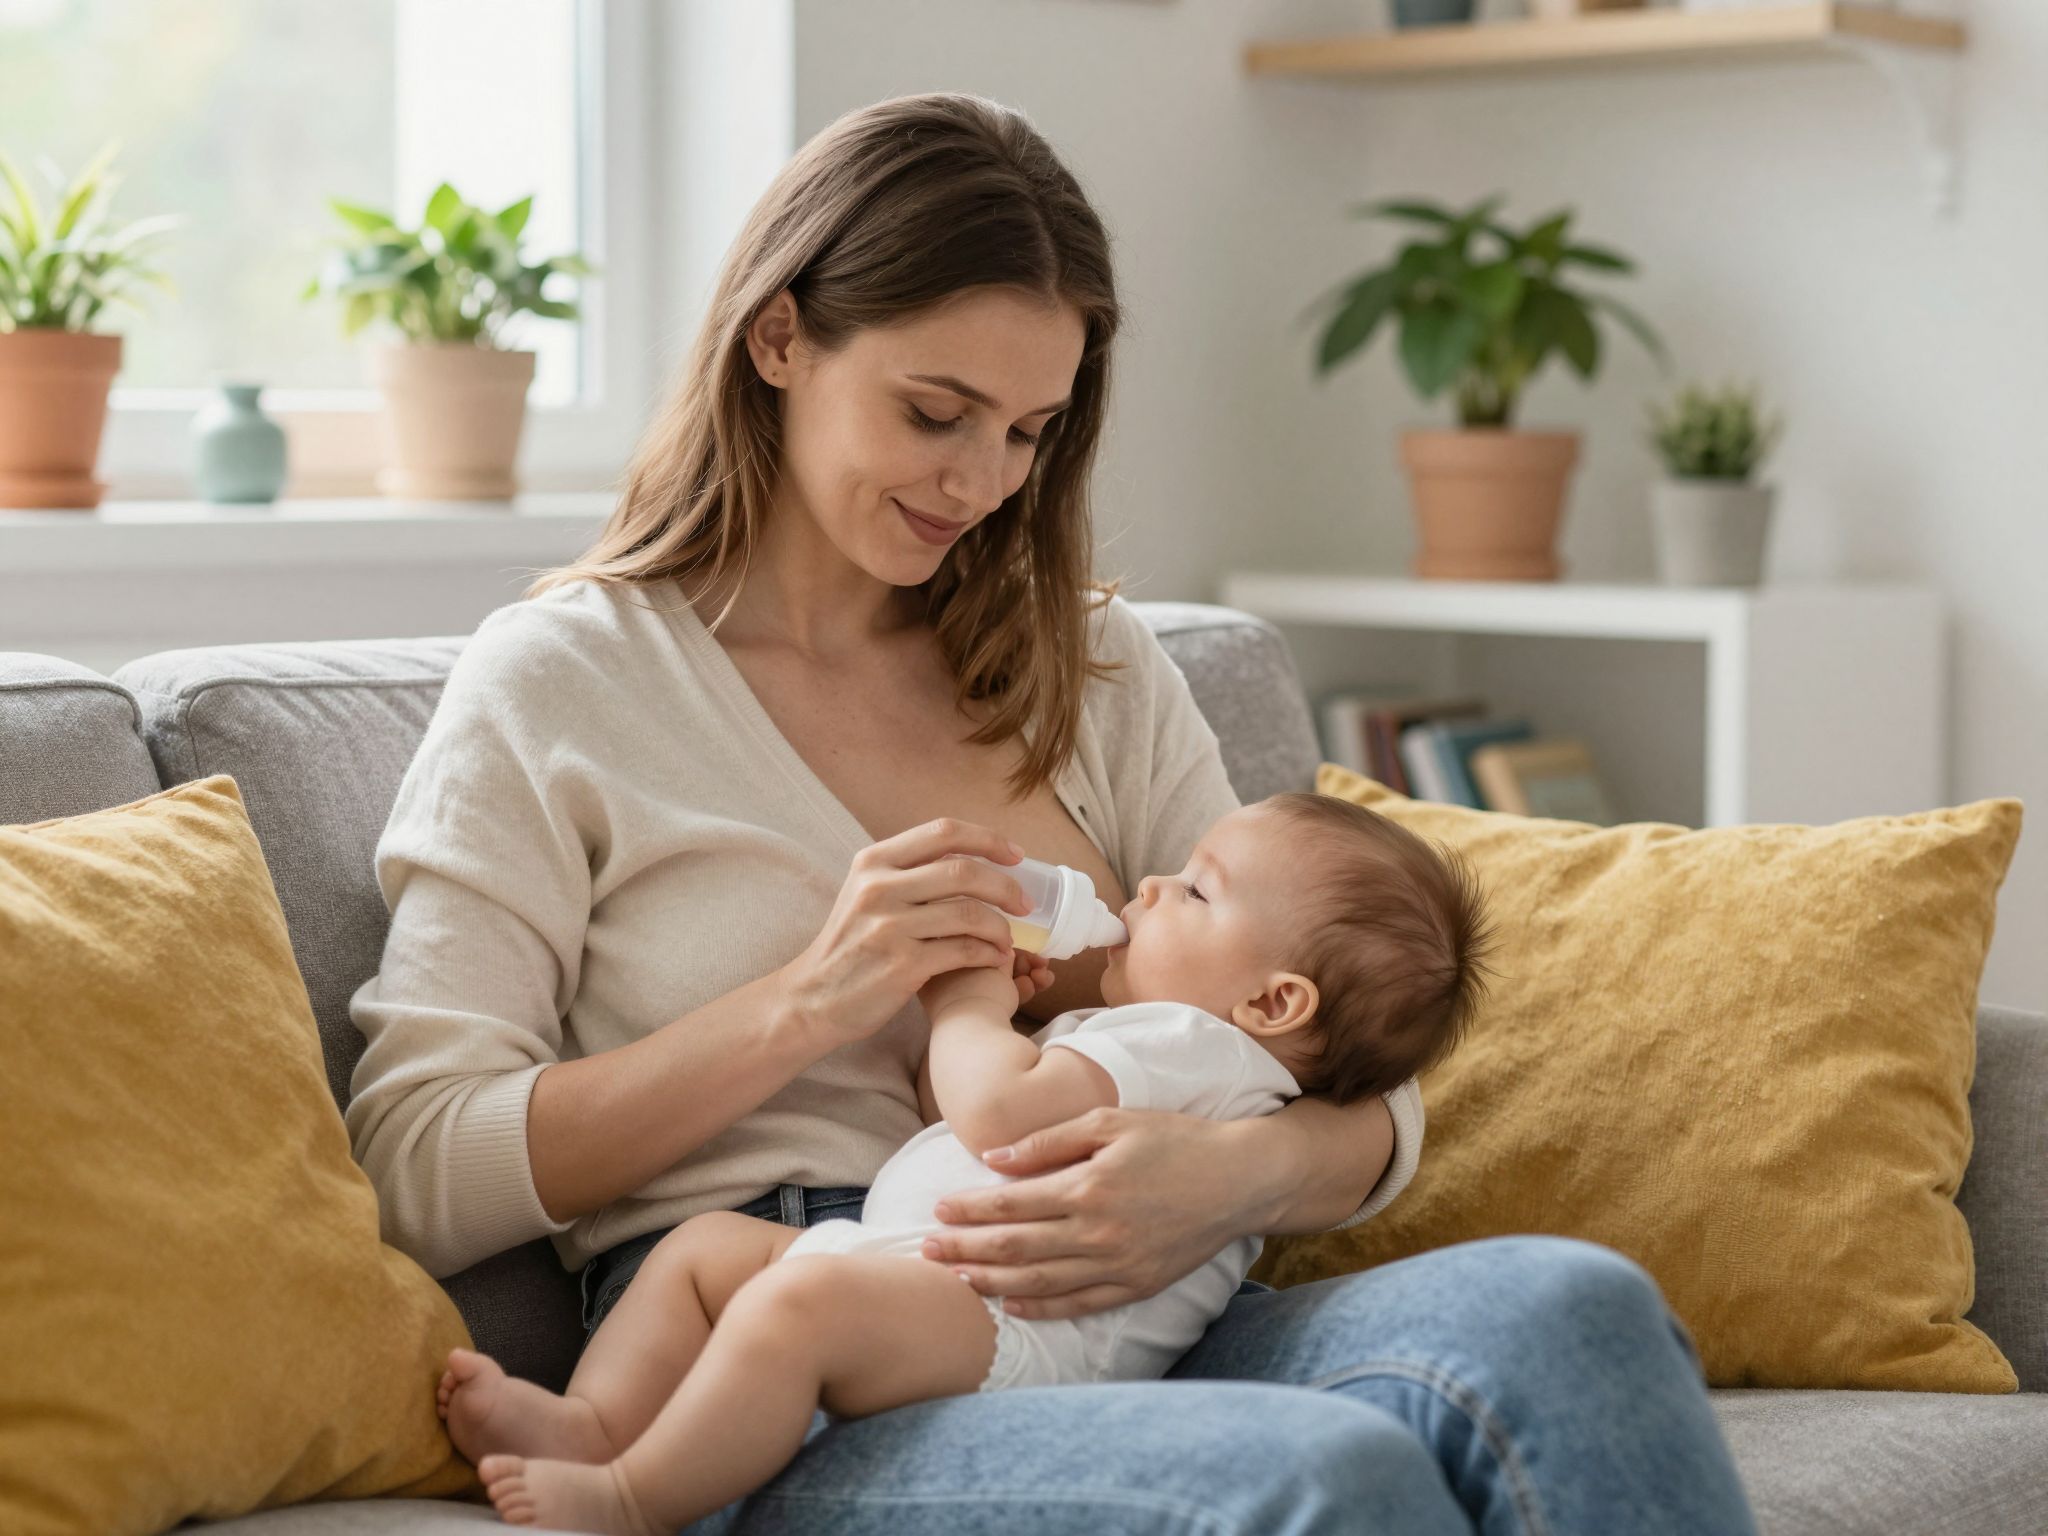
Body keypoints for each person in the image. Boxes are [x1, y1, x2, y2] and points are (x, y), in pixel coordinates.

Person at [347, 90, 1760, 1533]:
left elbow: (1334, 1044)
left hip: (1138, 1305)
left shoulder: (1089, 665)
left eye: (1028, 431)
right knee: (1327, 1481)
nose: (981, 482)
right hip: (774, 1361)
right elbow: (418, 1162)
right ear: (781, 340)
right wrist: (805, 1006)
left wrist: (1234, 1171)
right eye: (934, 412)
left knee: (1574, 1307)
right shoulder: (568, 680)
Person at [441, 792, 1491, 1534]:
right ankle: (590, 1423)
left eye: (1196, 893)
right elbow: (960, 1120)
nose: (1154, 883)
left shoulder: (1183, 1045)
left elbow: (990, 1113)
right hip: (933, 1274)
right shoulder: (1176, 1048)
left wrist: (967, 1006)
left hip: (1012, 1330)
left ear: (1272, 1003)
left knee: (792, 1310)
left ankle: (631, 1501)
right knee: (710, 1245)